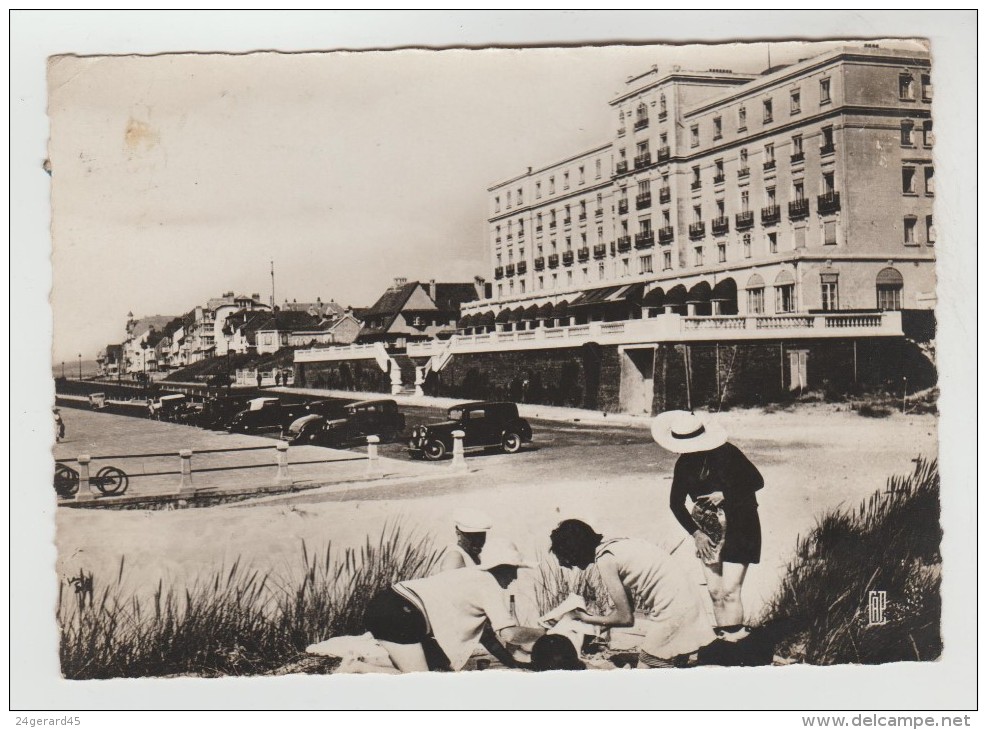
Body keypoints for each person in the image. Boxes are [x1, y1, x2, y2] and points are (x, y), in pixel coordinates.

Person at [651, 410, 764, 643]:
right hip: (708, 530)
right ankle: (725, 639)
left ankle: (735, 643)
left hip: (741, 524)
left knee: (731, 590)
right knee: (715, 592)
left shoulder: (727, 453)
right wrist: (696, 533)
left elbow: (757, 481)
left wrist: (725, 493)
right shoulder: (683, 464)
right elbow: (675, 504)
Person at [549, 519, 715, 668]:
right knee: (667, 663)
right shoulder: (617, 545)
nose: (571, 565)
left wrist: (583, 618)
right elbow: (627, 609)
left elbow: (625, 618)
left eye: (568, 559)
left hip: (674, 613)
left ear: (575, 551)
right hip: (690, 605)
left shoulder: (605, 560)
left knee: (645, 666)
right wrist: (598, 623)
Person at [364, 539, 544, 672]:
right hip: (404, 613)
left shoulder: (468, 576)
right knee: (421, 683)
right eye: (514, 570)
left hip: (387, 602)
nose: (515, 578)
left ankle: (361, 663)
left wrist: (512, 664)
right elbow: (509, 634)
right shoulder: (489, 584)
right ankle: (359, 668)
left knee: (434, 667)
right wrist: (544, 633)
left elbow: (486, 636)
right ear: (501, 567)